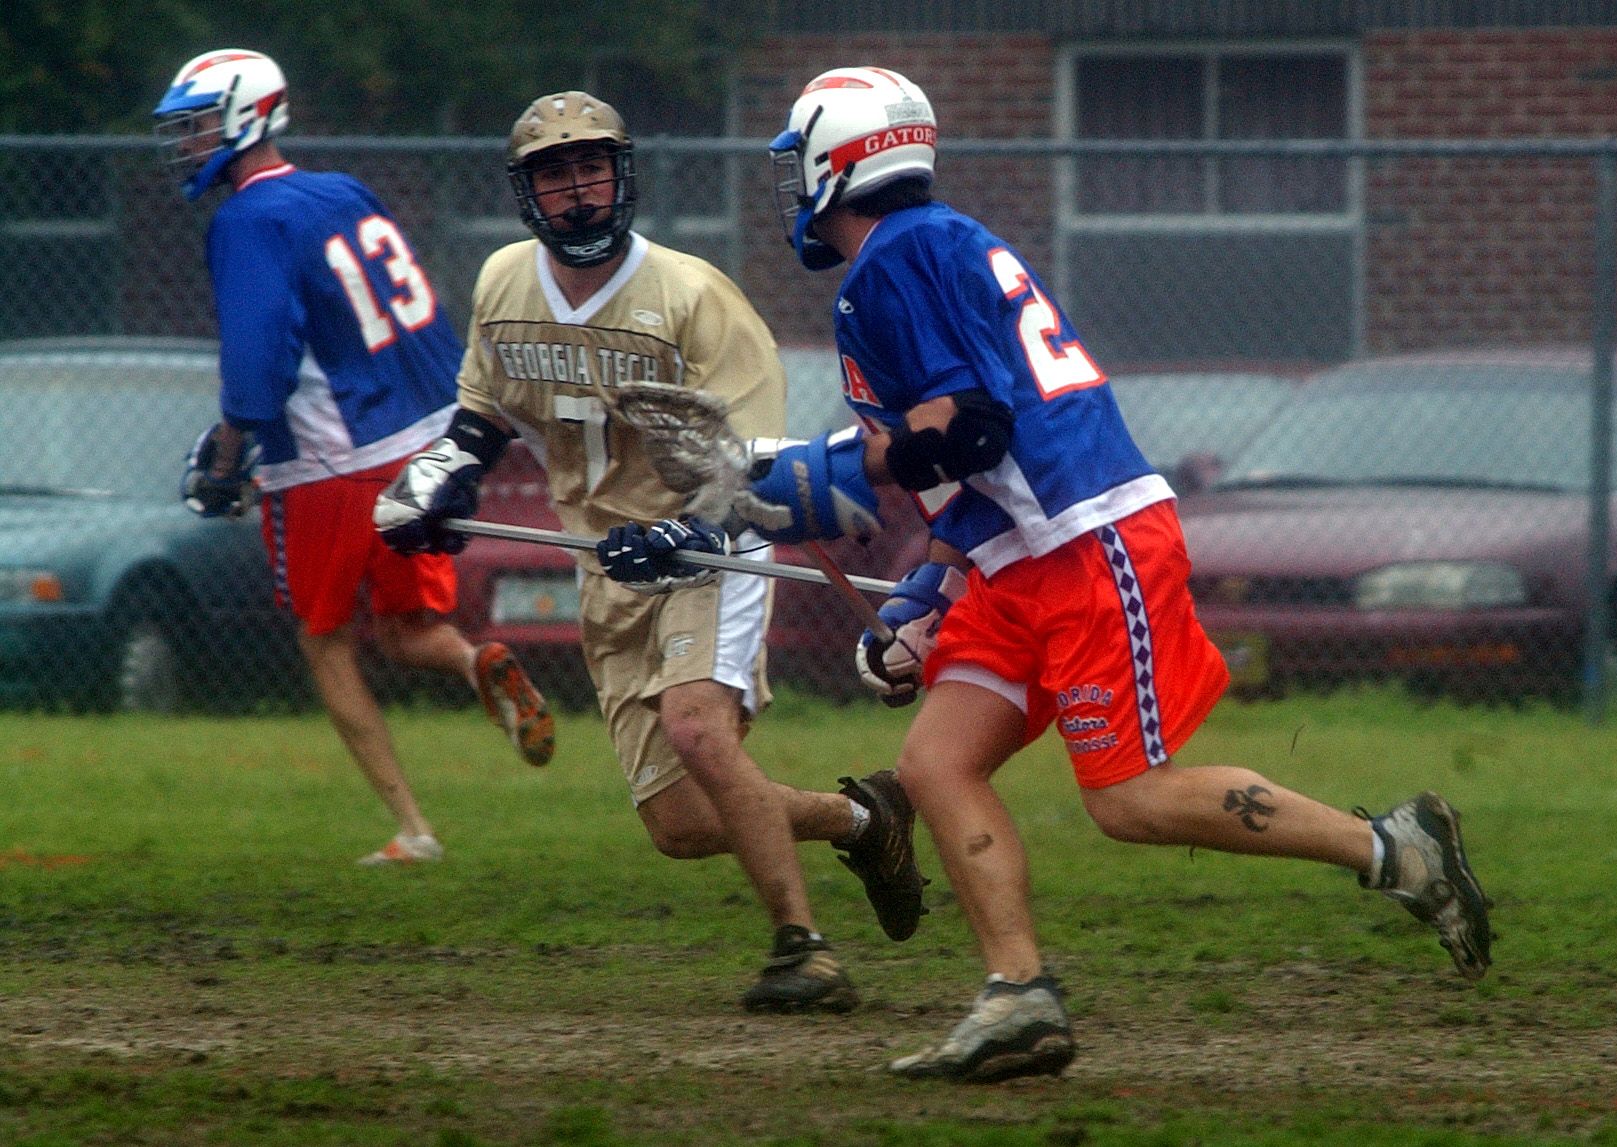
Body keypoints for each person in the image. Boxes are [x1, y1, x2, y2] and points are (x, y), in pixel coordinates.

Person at [623, 66, 1494, 1082]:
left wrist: (789, 477)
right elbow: (971, 471)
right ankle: (1017, 995)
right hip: (1018, 557)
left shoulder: (895, 260)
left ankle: (1390, 846)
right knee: (935, 765)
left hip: (1086, 541)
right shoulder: (928, 248)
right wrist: (922, 594)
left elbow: (964, 432)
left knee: (1126, 799)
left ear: (837, 161)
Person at [371, 90, 927, 1013]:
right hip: (606, 566)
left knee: (698, 730)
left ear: (622, 175)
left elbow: (756, 471)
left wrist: (686, 533)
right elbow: (481, 413)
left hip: (712, 552)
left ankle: (804, 949)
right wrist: (440, 479)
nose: (579, 191)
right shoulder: (504, 282)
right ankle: (863, 818)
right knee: (679, 824)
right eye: (556, 174)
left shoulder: (692, 296)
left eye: (592, 168)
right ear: (526, 192)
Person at [154, 48, 556, 866]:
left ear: (247, 118)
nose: (188, 143)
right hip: (423, 440)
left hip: (329, 458)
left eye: (198, 126)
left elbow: (257, 367)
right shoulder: (342, 190)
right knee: (407, 629)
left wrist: (228, 456)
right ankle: (479, 661)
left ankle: (414, 828)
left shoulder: (245, 219)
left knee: (324, 638)